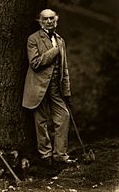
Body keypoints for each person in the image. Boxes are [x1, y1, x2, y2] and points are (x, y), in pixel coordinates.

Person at [22, 9, 72, 165]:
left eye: (52, 19)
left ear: (56, 20)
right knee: (41, 121)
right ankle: (45, 155)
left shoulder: (60, 40)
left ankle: (60, 155)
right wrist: (54, 51)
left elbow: (64, 68)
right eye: (45, 19)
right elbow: (35, 63)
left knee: (64, 117)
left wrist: (67, 91)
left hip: (55, 88)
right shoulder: (33, 39)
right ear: (40, 21)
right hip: (38, 87)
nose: (49, 21)